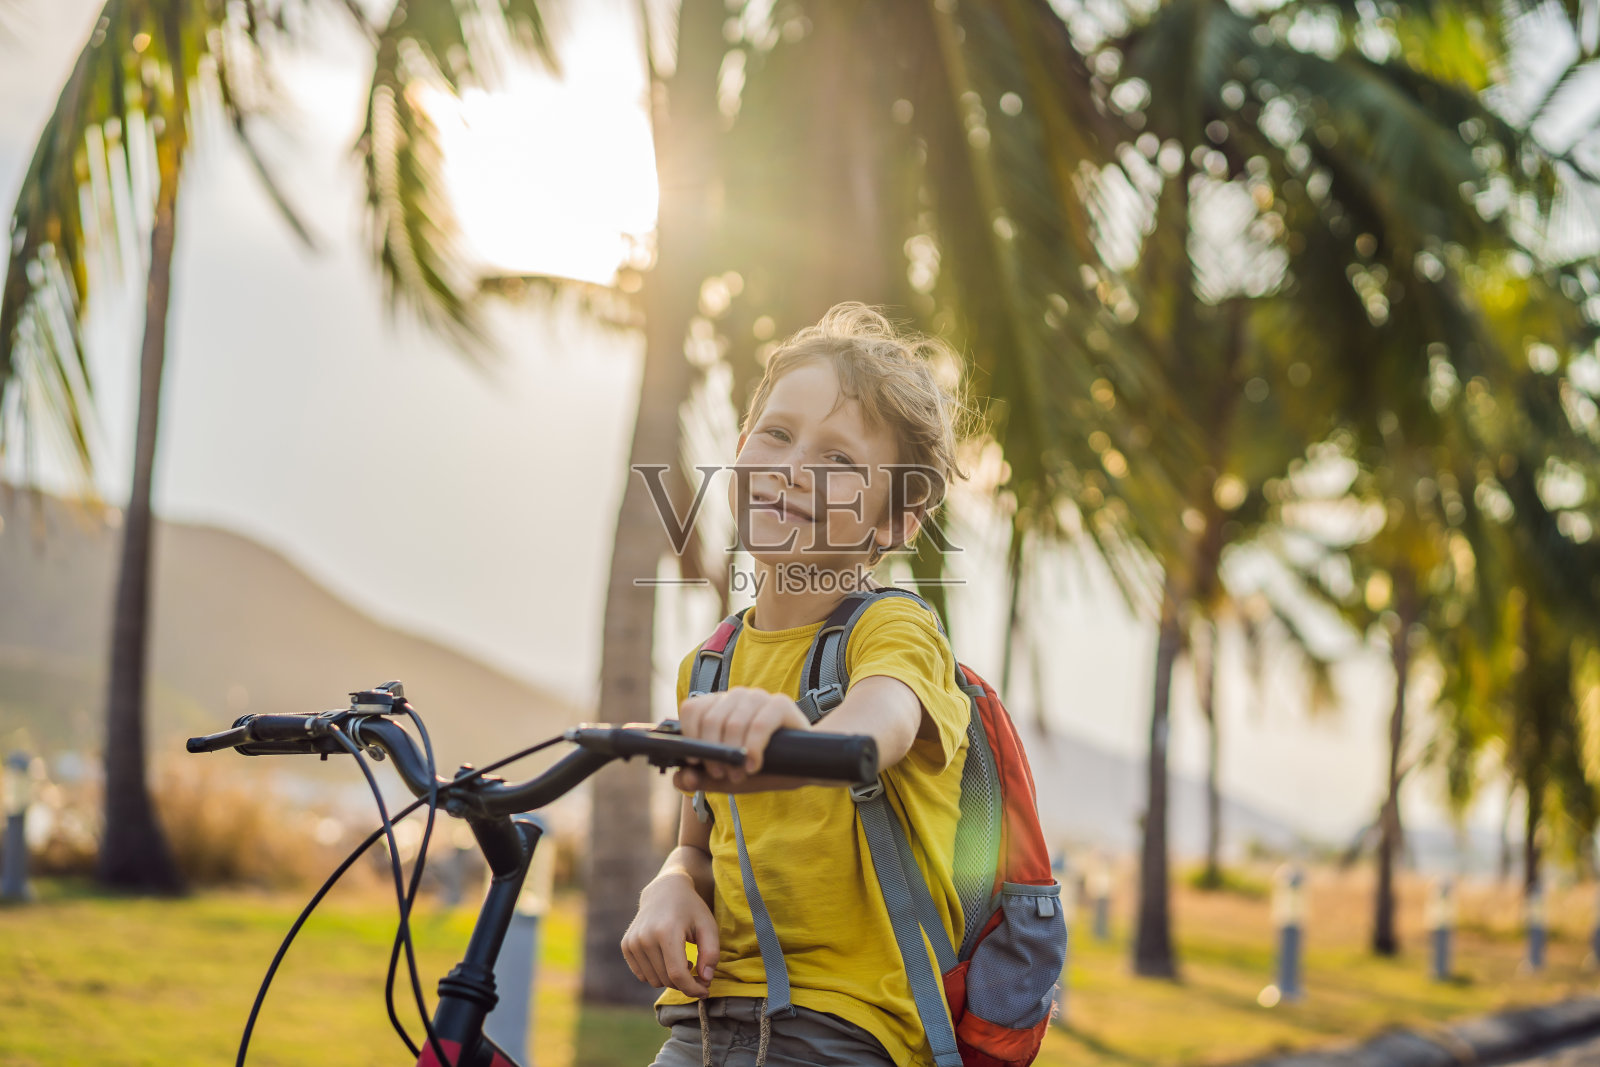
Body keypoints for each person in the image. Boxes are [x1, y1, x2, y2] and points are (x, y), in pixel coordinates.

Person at [621, 303, 980, 1067]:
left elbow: (877, 723)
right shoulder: (710, 663)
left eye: (840, 460)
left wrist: (796, 736)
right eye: (777, 434)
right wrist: (670, 884)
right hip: (704, 1024)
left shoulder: (894, 632)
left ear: (897, 521)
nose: (792, 468)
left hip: (845, 1029)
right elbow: (695, 844)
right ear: (741, 449)